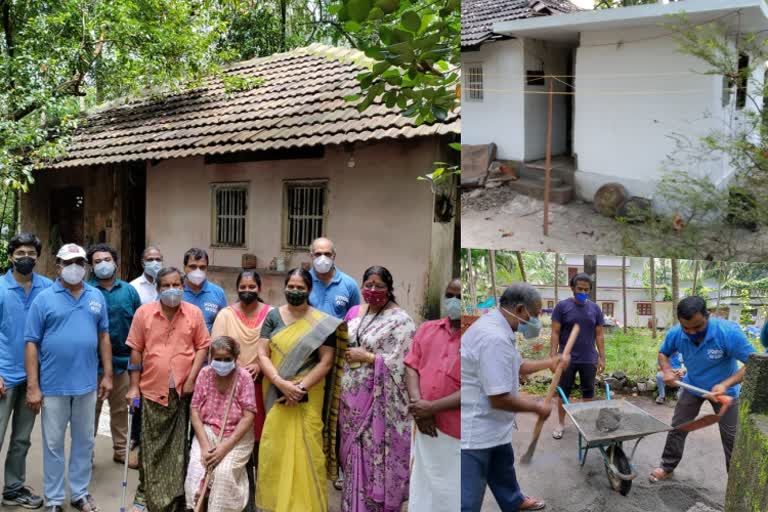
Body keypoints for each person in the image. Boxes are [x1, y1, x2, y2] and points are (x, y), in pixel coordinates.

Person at [461, 282, 566, 512]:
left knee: (502, 465)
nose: (538, 320)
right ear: (520, 309)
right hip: (476, 430)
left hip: (495, 424)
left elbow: (518, 365)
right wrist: (536, 408)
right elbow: (498, 398)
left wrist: (550, 362)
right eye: (536, 314)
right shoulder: (494, 337)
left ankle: (513, 500)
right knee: (468, 499)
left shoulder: (500, 327)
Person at [24, 243, 113, 512]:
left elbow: (104, 336)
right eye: (69, 262)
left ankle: (79, 493)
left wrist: (107, 375)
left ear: (85, 266)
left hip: (86, 384)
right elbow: (31, 343)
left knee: (84, 440)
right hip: (52, 386)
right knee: (52, 444)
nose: (74, 267)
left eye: (79, 262)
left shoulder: (96, 296)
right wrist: (32, 386)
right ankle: (53, 499)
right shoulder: (43, 299)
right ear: (59, 266)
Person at [256, 268, 341, 512]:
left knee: (308, 452)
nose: (294, 291)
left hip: (309, 393)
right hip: (276, 388)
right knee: (276, 450)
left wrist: (300, 388)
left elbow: (326, 361)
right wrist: (280, 382)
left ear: (309, 290)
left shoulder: (322, 323)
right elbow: (262, 353)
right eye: (290, 286)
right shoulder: (273, 316)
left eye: (300, 287)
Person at [126, 267, 210, 512]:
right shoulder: (144, 313)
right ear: (158, 288)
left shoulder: (193, 313)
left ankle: (174, 496)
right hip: (151, 390)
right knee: (150, 447)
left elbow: (203, 347)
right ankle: (146, 493)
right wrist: (133, 387)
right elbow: (136, 350)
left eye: (176, 284)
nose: (172, 289)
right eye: (166, 285)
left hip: (182, 392)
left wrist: (193, 378)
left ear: (182, 287)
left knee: (177, 450)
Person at [649, 296, 756, 483]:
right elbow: (663, 353)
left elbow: (754, 363)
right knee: (678, 427)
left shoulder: (727, 333)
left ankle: (735, 484)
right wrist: (666, 371)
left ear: (708, 316)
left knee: (732, 438)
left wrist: (725, 384)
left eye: (698, 327)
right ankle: (667, 466)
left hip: (725, 393)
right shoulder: (676, 334)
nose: (692, 333)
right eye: (686, 328)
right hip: (693, 386)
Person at [339, 266, 415, 512]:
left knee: (373, 456)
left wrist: (370, 357)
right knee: (353, 458)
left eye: (378, 285)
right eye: (368, 284)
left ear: (389, 288)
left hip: (379, 405)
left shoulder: (401, 321)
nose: (372, 290)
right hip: (350, 403)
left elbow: (404, 363)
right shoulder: (357, 314)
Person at [211, 270, 272, 507]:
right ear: (237, 288)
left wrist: (259, 364)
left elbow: (276, 347)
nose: (247, 291)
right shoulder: (225, 315)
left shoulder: (272, 315)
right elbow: (216, 350)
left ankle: (261, 498)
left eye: (252, 287)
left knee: (261, 445)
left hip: (264, 387)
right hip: (231, 388)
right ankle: (239, 501)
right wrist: (238, 370)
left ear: (260, 288)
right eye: (243, 287)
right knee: (237, 444)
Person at [0, 233, 51, 508]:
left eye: (31, 253)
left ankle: (13, 489)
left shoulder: (48, 288)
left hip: (34, 379)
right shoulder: (0, 288)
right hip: (4, 377)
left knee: (21, 439)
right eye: (20, 253)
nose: (26, 258)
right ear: (10, 256)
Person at [404, 278, 461, 510]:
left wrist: (431, 408)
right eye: (449, 295)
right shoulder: (427, 329)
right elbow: (411, 366)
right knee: (424, 486)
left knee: (452, 491)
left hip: (457, 430)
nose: (454, 301)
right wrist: (419, 407)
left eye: (460, 297)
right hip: (425, 426)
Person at [184, 336, 256, 512]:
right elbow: (194, 410)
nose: (222, 363)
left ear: (235, 359)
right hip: (207, 432)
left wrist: (224, 447)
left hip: (236, 437)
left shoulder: (244, 378)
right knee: (197, 469)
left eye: (227, 359)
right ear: (210, 358)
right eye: (218, 359)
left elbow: (248, 416)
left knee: (223, 475)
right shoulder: (204, 374)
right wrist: (204, 445)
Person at [87, 243, 142, 465]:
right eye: (97, 261)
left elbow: (139, 326)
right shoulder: (86, 291)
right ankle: (86, 453)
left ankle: (121, 450)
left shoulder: (129, 291)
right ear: (91, 266)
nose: (103, 265)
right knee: (91, 410)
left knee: (121, 409)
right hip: (93, 364)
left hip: (124, 361)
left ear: (115, 263)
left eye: (107, 260)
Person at [550, 272, 605, 440]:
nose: (583, 292)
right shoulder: (562, 307)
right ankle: (561, 423)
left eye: (586, 290)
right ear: (572, 288)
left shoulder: (595, 309)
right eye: (580, 289)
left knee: (588, 393)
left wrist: (602, 357)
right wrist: (553, 355)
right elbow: (555, 332)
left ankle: (585, 424)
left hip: (589, 358)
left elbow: (600, 335)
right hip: (566, 359)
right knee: (563, 393)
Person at [308, 237, 360, 319]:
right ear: (311, 256)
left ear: (334, 256)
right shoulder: (303, 281)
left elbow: (354, 318)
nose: (322, 258)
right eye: (318, 254)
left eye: (327, 254)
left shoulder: (349, 284)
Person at [182, 248, 227, 333]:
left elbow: (224, 324)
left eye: (202, 267)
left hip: (208, 345)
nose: (198, 271)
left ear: (207, 268)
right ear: (184, 268)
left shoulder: (218, 293)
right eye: (193, 267)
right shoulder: (175, 292)